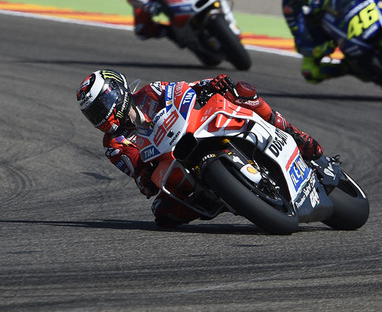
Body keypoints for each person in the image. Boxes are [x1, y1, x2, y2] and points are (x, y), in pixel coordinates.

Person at [76, 69, 323, 227]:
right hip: (173, 162)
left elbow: (183, 89)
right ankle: (222, 197)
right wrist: (146, 180)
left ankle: (295, 135)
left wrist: (209, 84)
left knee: (239, 92)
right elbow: (138, 173)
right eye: (93, 113)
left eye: (102, 106)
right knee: (163, 213)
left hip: (195, 127)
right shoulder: (113, 144)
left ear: (118, 91)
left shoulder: (150, 92)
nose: (100, 116)